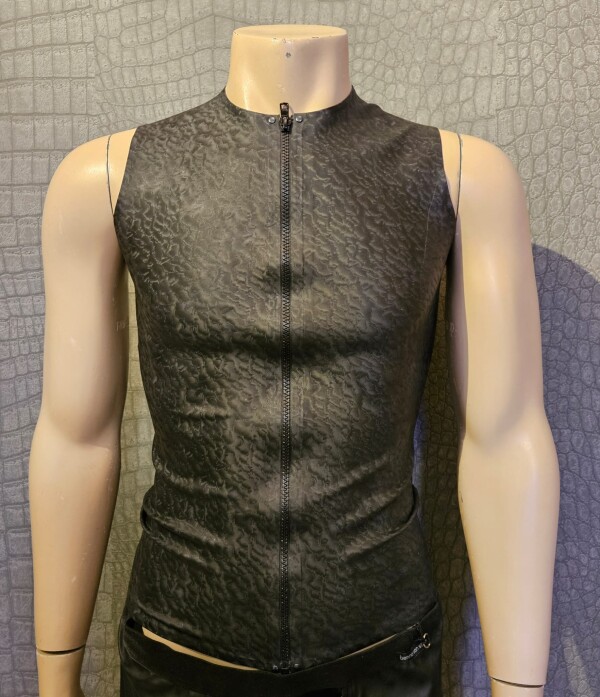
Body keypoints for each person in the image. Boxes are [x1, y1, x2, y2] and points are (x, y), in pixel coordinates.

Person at [30, 23, 560, 697]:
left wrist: (519, 689)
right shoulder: (106, 176)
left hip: (384, 659)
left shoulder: (458, 175)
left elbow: (507, 439)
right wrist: (56, 677)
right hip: (176, 657)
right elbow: (74, 437)